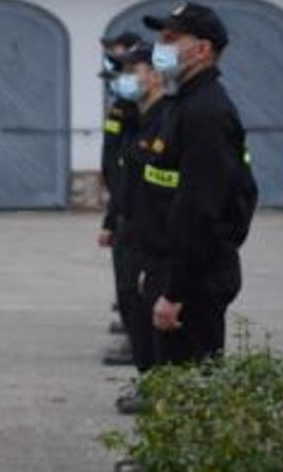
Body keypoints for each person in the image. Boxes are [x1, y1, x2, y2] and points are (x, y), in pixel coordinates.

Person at [133, 2, 258, 368]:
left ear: (202, 50)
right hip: (172, 269)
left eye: (171, 38)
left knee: (189, 389)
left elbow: (201, 212)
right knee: (172, 388)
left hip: (192, 282)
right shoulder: (183, 104)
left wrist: (174, 292)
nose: (161, 47)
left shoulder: (206, 114)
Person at [108, 44, 169, 414]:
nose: (127, 78)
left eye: (135, 70)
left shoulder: (167, 119)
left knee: (151, 314)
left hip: (152, 236)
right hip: (131, 225)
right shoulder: (141, 116)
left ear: (156, 74)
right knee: (133, 305)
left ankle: (160, 390)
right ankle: (151, 383)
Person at [98, 31, 145, 367]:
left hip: (139, 211)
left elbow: (129, 167)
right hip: (125, 206)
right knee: (127, 285)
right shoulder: (124, 106)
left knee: (135, 286)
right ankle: (134, 337)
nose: (119, 80)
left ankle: (138, 343)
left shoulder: (142, 112)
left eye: (125, 72)